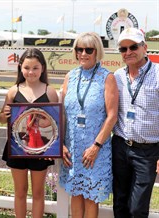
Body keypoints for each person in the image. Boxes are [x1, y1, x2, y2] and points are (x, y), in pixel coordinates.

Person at [59, 32, 119, 218]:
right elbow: (62, 114)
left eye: (88, 49)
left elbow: (112, 116)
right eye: (79, 49)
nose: (83, 53)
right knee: (75, 194)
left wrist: (96, 146)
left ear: (97, 51)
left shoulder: (107, 77)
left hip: (95, 150)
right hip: (72, 148)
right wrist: (60, 144)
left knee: (91, 198)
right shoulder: (70, 76)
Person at [0, 48, 58, 218]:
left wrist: (51, 148)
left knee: (38, 193)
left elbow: (55, 125)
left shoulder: (50, 92)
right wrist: (6, 114)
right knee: (20, 192)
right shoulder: (13, 91)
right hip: (17, 148)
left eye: (35, 68)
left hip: (41, 148)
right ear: (20, 68)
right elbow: (2, 118)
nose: (30, 72)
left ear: (43, 68)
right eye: (27, 67)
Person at [112, 27, 159, 218]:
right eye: (123, 49)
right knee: (120, 203)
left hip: (147, 150)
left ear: (144, 47)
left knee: (137, 209)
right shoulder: (117, 76)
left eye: (133, 47)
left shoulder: (158, 74)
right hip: (120, 146)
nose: (128, 52)